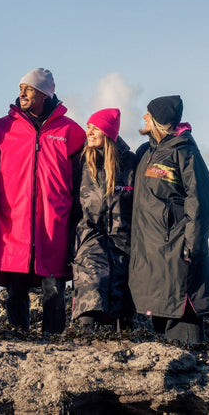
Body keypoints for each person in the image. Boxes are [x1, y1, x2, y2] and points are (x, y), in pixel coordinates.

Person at [0, 68, 85, 334]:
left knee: (54, 289)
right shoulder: (0, 129)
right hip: (13, 223)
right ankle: (18, 337)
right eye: (20, 89)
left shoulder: (70, 131)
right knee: (16, 288)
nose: (22, 94)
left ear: (44, 94)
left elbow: (87, 171)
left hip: (54, 224)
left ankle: (53, 341)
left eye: (28, 89)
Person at [128, 95, 209, 343]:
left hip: (178, 252)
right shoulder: (146, 152)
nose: (144, 116)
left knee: (184, 324)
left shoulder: (184, 151)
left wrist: (192, 245)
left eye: (148, 113)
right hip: (153, 255)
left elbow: (206, 199)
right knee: (162, 317)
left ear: (158, 119)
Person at [71, 108, 137, 332]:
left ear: (108, 133)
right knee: (91, 283)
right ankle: (84, 338)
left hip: (124, 240)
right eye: (88, 127)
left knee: (124, 294)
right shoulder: (82, 161)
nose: (88, 132)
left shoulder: (130, 162)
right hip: (90, 236)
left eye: (95, 128)